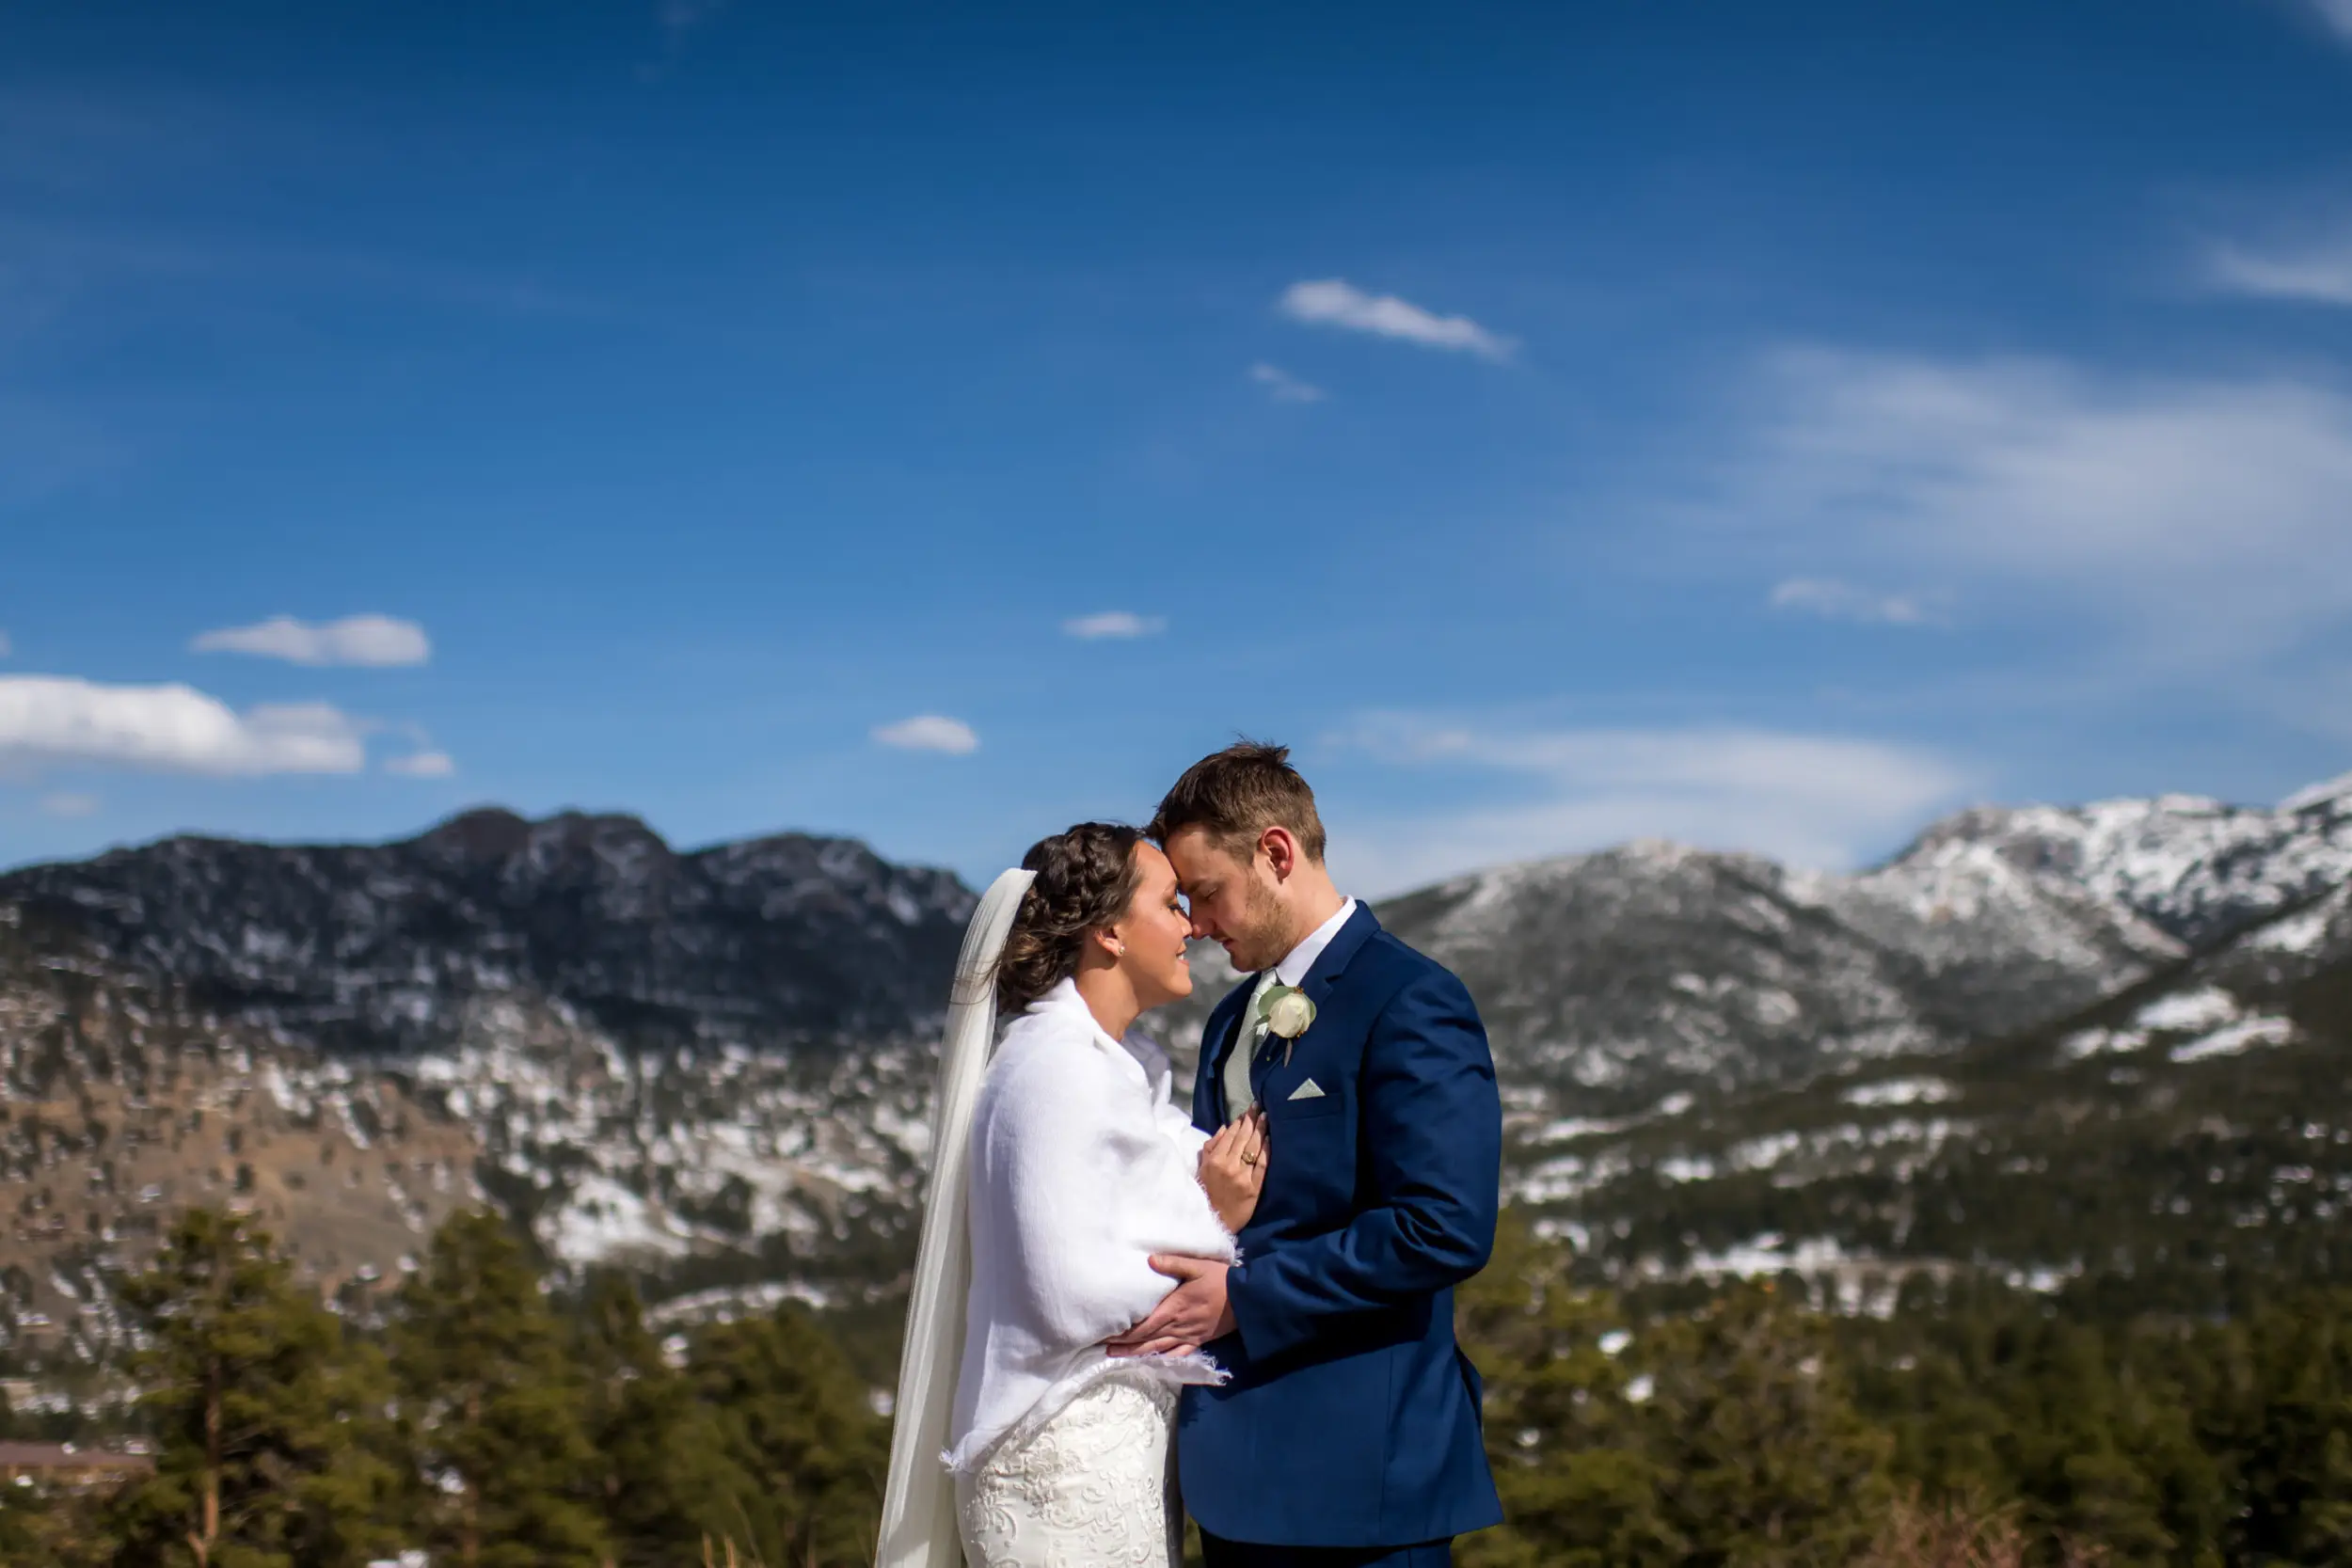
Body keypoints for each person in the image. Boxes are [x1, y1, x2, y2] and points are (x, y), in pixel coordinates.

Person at [1111, 741, 1503, 1566]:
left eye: (1208, 893)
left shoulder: (1412, 998)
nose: (1199, 923)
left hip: (1361, 1482)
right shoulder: (1228, 1020)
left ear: (1276, 853)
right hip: (1231, 1480)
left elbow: (1444, 1227)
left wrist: (1244, 1297)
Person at [876, 822, 1272, 1568]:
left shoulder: (1117, 1068)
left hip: (1106, 1464)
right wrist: (1215, 1218)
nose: (1190, 924)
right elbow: (1066, 1289)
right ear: (1110, 932)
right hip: (1058, 1473)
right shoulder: (1052, 1068)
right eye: (1170, 902)